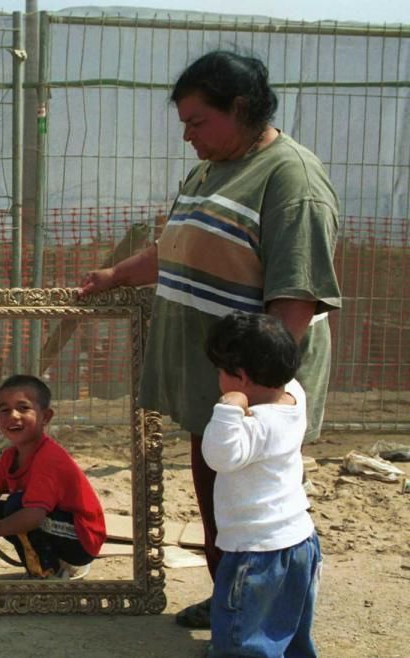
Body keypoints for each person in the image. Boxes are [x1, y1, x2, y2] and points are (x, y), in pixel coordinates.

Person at [76, 50, 341, 627]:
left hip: (252, 384)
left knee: (256, 506)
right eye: (185, 125)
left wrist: (255, 393)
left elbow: (295, 299)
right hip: (220, 379)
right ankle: (232, 595)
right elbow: (178, 246)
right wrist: (115, 276)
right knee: (219, 493)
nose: (189, 136)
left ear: (240, 108)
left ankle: (261, 614)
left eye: (198, 122)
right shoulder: (211, 168)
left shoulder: (290, 178)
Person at [202, 311, 321, 657]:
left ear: (240, 378)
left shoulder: (254, 427)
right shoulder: (293, 397)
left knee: (243, 639)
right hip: (300, 542)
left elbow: (218, 456)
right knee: (289, 629)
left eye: (222, 371)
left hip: (256, 553)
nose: (218, 378)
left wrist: (228, 407)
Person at [0, 374, 106, 578]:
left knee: (17, 508)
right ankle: (43, 565)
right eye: (4, 410)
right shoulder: (10, 456)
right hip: (57, 524)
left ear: (45, 417)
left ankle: (48, 573)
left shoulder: (49, 458)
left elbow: (33, 516)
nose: (13, 416)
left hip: (82, 540)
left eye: (23, 408)